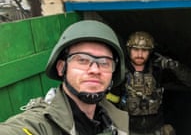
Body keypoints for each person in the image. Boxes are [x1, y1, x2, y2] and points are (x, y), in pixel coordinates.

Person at [0, 20, 128, 135]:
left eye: (104, 63)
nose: (95, 70)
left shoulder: (114, 119)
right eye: (82, 60)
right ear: (61, 68)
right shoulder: (39, 124)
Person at [106, 31, 191, 135]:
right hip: (128, 129)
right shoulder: (120, 71)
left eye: (144, 50)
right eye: (135, 49)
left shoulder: (157, 70)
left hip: (155, 128)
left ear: (150, 52)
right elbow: (108, 103)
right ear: (129, 50)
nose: (140, 54)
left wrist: (175, 66)